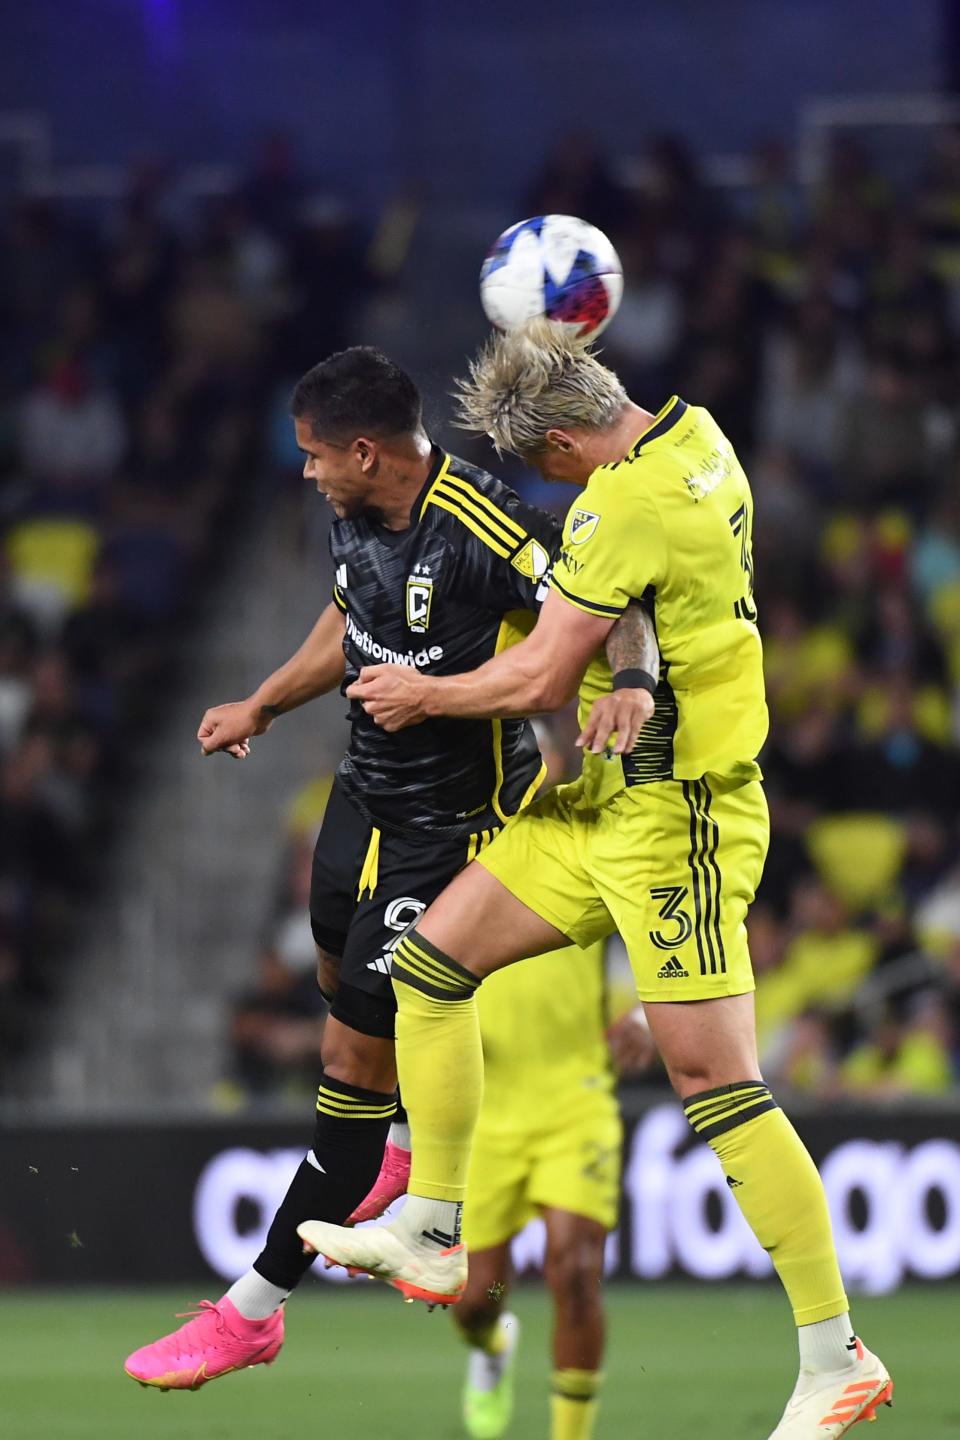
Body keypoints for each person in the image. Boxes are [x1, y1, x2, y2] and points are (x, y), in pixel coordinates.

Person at [299, 322, 894, 1440]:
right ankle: (434, 1223)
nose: (546, 488)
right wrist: (641, 675)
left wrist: (425, 696)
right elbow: (645, 607)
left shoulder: (617, 504)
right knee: (430, 961)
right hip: (607, 801)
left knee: (717, 1084)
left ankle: (836, 1356)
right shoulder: (700, 439)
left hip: (684, 820)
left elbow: (534, 670)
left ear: (566, 441)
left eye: (544, 467)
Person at [123, 345, 657, 1391]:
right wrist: (266, 704)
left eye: (316, 456)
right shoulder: (361, 515)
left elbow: (605, 606)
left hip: (446, 829)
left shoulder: (483, 524)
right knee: (339, 999)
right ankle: (401, 1138)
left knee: (349, 1070)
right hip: (358, 803)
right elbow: (352, 617)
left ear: (368, 452)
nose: (309, 473)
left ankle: (254, 1309)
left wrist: (628, 679)